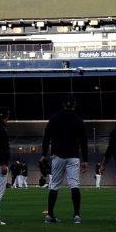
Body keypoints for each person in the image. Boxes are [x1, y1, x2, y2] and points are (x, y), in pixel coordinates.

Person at [42, 95, 88, 224]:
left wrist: (43, 154)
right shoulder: (78, 120)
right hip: (73, 156)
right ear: (74, 105)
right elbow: (84, 141)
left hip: (58, 156)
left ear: (63, 104)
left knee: (54, 185)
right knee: (74, 185)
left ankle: (50, 215)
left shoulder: (54, 118)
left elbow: (47, 137)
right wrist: (85, 159)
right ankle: (77, 215)